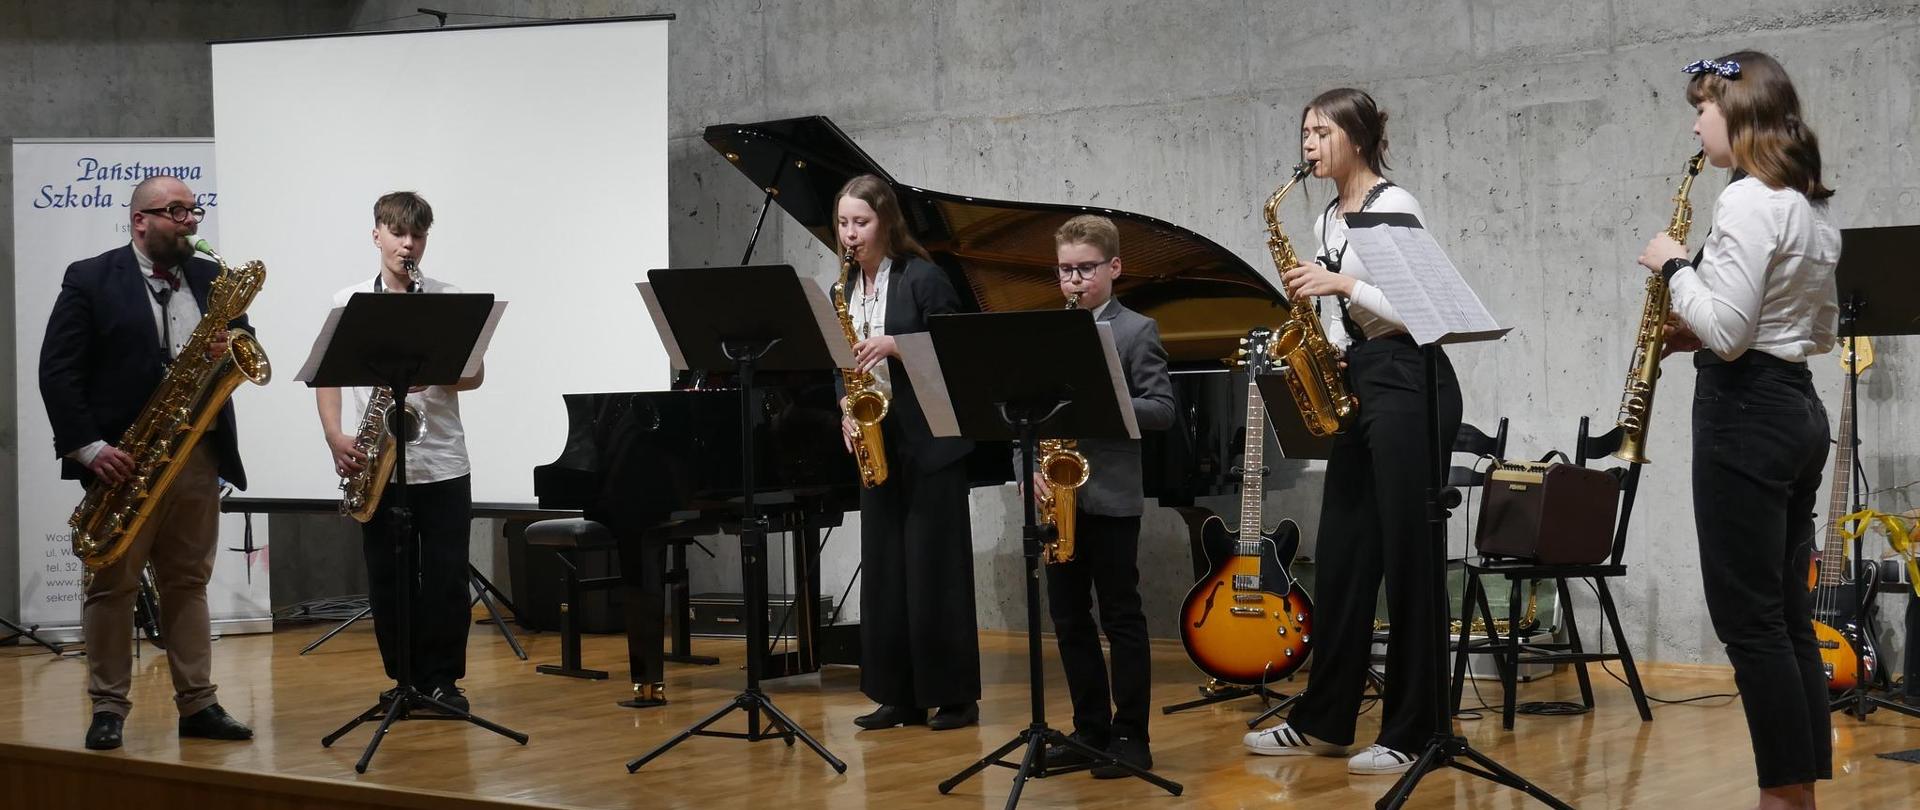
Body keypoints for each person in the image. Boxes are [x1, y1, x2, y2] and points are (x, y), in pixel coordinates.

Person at [1637, 51, 1839, 810]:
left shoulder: (1748, 201)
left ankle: (1781, 799)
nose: (1696, 125)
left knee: (1750, 626)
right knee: (1786, 620)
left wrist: (1673, 266)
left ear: (1739, 112)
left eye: (1704, 109)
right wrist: (1700, 325)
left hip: (1744, 413)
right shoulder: (1807, 207)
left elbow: (1726, 335)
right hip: (1795, 407)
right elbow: (1816, 331)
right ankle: (1798, 794)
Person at [1241, 88, 1464, 775]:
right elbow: (1346, 317)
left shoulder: (1395, 206)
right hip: (1362, 377)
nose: (1308, 145)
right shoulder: (1325, 219)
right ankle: (1324, 721)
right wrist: (1330, 347)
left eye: (1321, 132)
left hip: (1411, 377)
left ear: (1358, 139)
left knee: (1409, 559)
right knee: (1342, 557)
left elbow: (1422, 309)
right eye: (1304, 132)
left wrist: (1341, 287)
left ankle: (1414, 730)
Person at [39, 174, 256, 751]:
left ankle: (199, 703)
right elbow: (58, 370)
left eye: (194, 211)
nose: (191, 222)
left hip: (196, 454)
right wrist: (90, 448)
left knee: (188, 582)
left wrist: (226, 347)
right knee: (112, 586)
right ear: (141, 221)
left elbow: (243, 342)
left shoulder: (210, 279)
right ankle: (109, 707)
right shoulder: (90, 277)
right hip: (124, 460)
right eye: (176, 212)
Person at [315, 191, 485, 712]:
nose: (407, 244)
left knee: (446, 579)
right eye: (397, 233)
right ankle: (404, 679)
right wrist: (335, 436)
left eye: (417, 235)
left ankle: (443, 682)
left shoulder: (448, 298)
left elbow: (475, 376)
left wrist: (433, 372)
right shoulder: (350, 300)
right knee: (389, 580)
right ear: (377, 235)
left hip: (443, 462)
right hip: (378, 465)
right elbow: (326, 376)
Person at [835, 174, 983, 732]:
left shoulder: (923, 277)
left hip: (931, 441)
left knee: (934, 571)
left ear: (886, 222)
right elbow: (840, 359)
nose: (851, 234)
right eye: (844, 223)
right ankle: (897, 695)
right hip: (880, 439)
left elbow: (960, 348)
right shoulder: (846, 287)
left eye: (861, 222)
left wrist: (898, 345)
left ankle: (956, 697)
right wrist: (845, 409)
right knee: (886, 571)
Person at [1038, 214, 1174, 776]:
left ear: (1114, 267)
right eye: (1065, 270)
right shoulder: (1047, 332)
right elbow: (1024, 412)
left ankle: (1131, 735)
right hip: (1059, 497)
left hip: (1112, 497)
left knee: (1121, 616)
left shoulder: (1137, 330)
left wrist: (1103, 399)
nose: (1074, 280)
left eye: (1086, 268)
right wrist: (1027, 471)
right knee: (1069, 619)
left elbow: (1162, 409)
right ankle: (1088, 730)